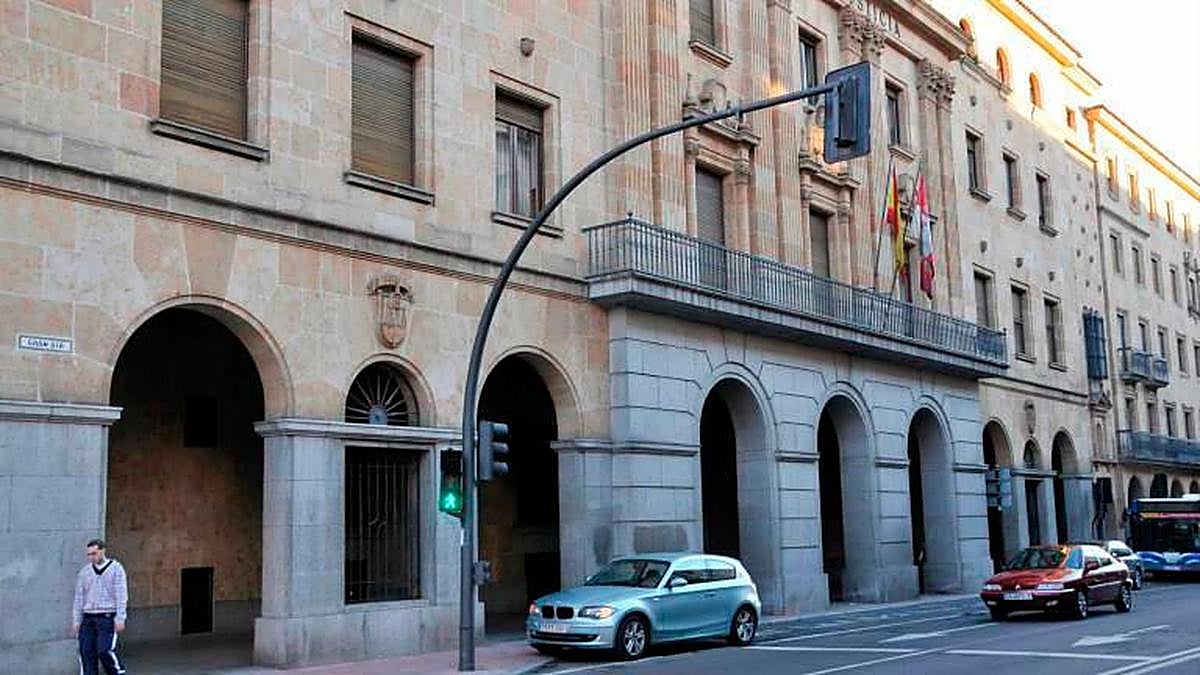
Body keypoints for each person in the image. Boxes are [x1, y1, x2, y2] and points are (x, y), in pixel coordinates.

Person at [72, 539, 128, 675]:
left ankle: (117, 672)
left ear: (102, 551)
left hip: (107, 617)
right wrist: (77, 620)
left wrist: (120, 618)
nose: (92, 557)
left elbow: (121, 594)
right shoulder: (84, 572)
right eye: (89, 554)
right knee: (86, 651)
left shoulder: (116, 569)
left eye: (94, 553)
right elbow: (79, 597)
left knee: (105, 650)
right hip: (88, 617)